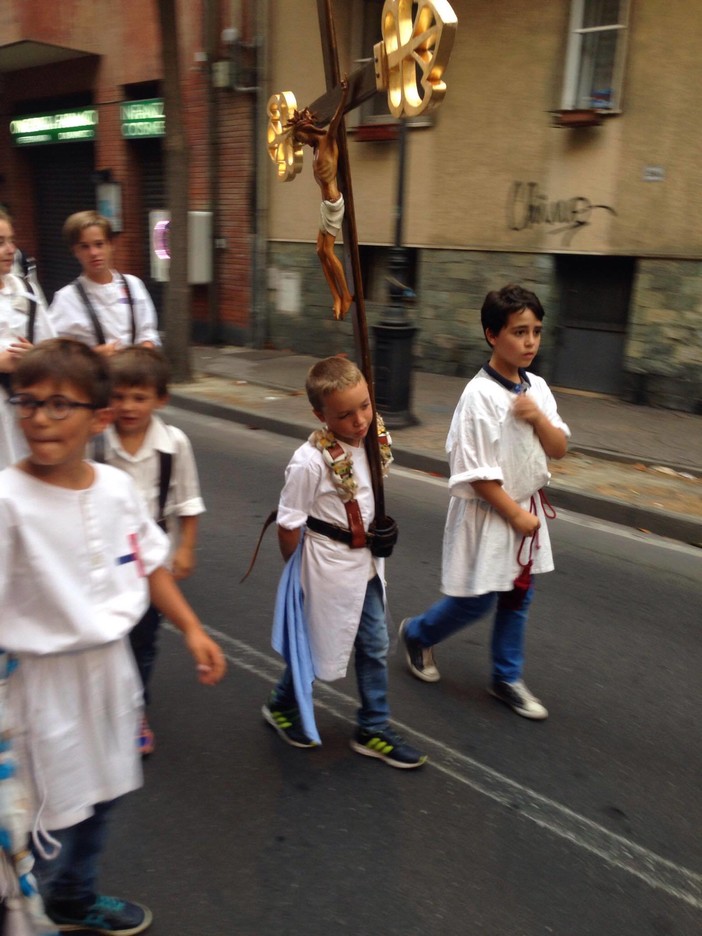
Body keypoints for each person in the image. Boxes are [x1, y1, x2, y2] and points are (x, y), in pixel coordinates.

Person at [0, 338, 226, 934]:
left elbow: (149, 563)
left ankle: (74, 896)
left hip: (110, 672)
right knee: (44, 810)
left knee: (107, 788)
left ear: (96, 417)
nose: (38, 418)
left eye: (58, 405)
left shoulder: (115, 489)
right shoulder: (7, 500)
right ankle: (32, 907)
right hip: (37, 683)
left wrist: (192, 628)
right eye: (27, 402)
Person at [399, 284, 570, 720]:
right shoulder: (479, 397)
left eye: (536, 331)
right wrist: (514, 515)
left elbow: (558, 447)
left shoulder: (538, 389)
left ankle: (505, 677)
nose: (530, 342)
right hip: (492, 512)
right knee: (476, 598)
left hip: (524, 510)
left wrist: (537, 418)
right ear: (493, 335)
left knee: (518, 596)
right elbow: (476, 474)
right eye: (519, 332)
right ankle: (418, 635)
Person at [261, 355, 426, 769]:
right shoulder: (309, 461)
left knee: (373, 642)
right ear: (320, 415)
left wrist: (381, 530)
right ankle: (283, 706)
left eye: (365, 406)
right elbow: (288, 524)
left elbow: (367, 496)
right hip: (327, 568)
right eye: (345, 414)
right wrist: (296, 574)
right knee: (320, 643)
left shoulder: (373, 439)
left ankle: (372, 726)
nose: (360, 420)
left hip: (367, 564)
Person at [101, 345, 206, 756]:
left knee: (143, 642)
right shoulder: (96, 442)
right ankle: (101, 707)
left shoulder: (173, 444)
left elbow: (188, 503)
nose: (127, 406)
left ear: (160, 399)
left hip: (150, 563)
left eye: (139, 397)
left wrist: (186, 548)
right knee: (107, 639)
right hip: (102, 561)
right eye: (119, 396)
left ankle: (134, 709)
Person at [49, 211, 160, 356]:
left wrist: (142, 354)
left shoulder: (133, 285)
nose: (93, 252)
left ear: (111, 245)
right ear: (75, 251)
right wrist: (93, 355)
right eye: (84, 246)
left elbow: (148, 334)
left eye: (99, 244)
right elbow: (55, 352)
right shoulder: (66, 298)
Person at [286, 78, 353, 320]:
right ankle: (336, 296)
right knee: (319, 251)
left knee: (328, 251)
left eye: (301, 137)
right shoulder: (315, 150)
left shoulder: (327, 142)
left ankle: (346, 295)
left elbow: (336, 119)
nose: (302, 142)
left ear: (307, 130)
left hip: (334, 204)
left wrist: (344, 94)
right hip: (325, 205)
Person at [0, 207, 55, 468]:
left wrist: (34, 356)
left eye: (11, 240)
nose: (11, 249)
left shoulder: (27, 291)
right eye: (0, 242)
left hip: (26, 408)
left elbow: (52, 348)